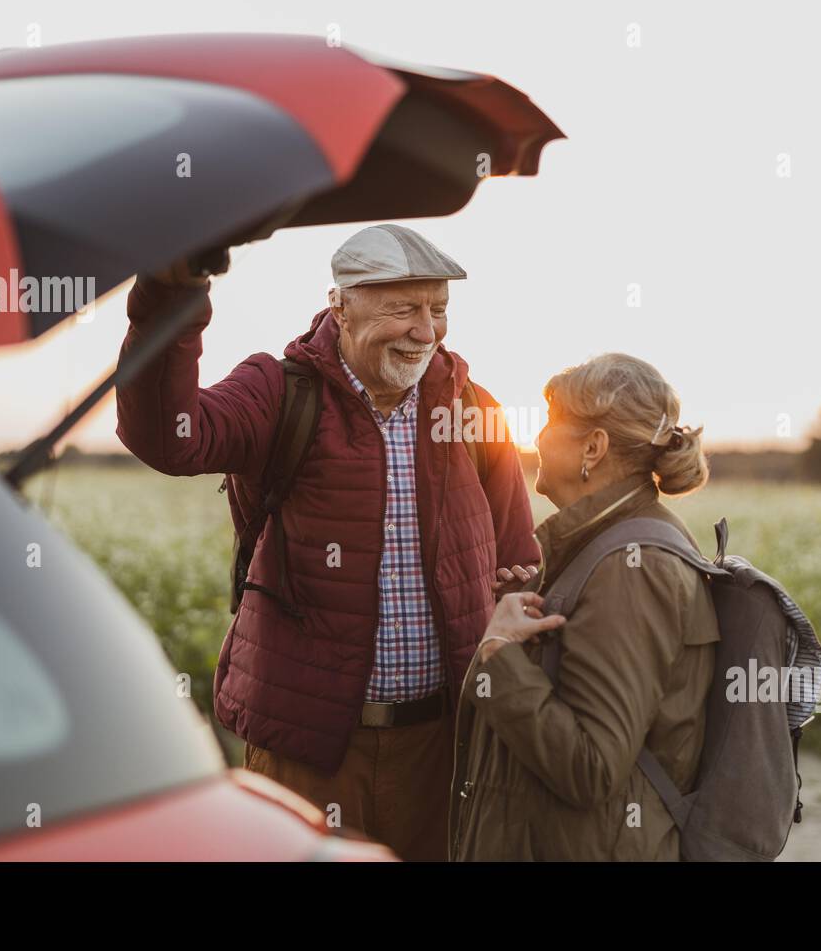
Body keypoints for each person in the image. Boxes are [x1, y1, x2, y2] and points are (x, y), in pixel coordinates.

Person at [115, 224, 540, 861]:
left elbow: (517, 565)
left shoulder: (473, 408)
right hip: (308, 751)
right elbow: (169, 438)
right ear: (341, 307)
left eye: (438, 309)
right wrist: (172, 299)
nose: (426, 330)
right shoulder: (281, 391)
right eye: (404, 308)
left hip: (442, 749)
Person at [448, 352, 720, 860]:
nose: (538, 438)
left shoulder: (632, 569)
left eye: (551, 421)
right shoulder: (606, 548)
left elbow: (590, 767)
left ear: (592, 447)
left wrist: (502, 653)